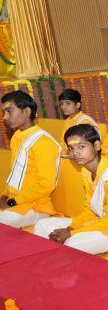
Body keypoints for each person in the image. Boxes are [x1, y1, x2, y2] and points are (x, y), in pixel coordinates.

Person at [33, 124, 108, 255]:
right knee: (42, 225)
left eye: (81, 147)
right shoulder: (86, 172)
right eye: (71, 148)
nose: (75, 153)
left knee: (73, 243)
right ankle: (48, 264)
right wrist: (70, 227)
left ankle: (59, 264)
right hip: (100, 222)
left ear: (97, 146)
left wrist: (71, 232)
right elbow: (90, 211)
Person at [0, 91, 61, 228]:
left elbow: (46, 185)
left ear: (27, 111)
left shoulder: (43, 142)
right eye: (4, 112)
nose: (5, 117)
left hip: (36, 207)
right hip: (14, 203)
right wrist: (4, 196)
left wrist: (12, 202)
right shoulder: (16, 137)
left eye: (9, 111)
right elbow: (15, 174)